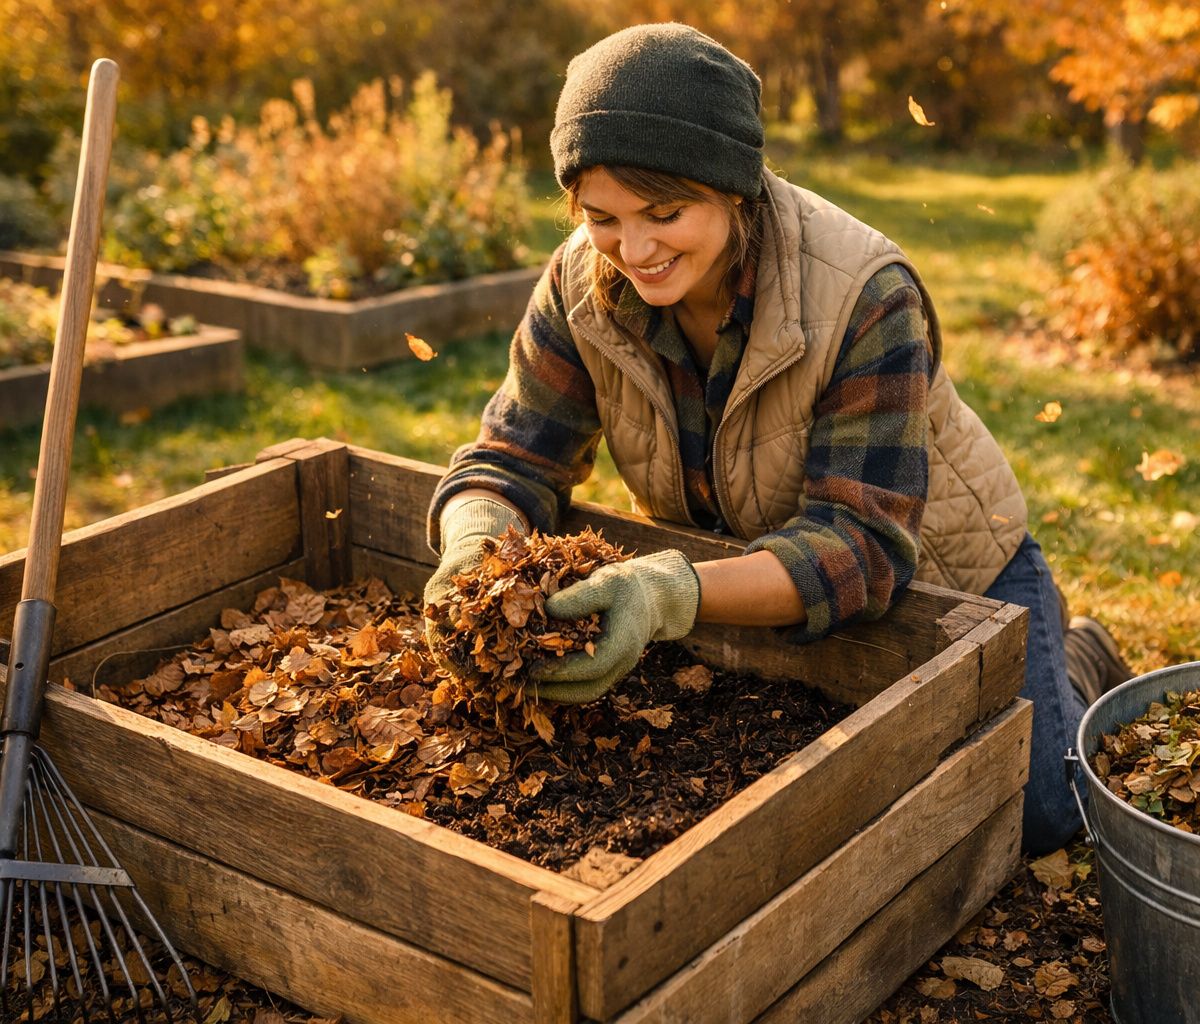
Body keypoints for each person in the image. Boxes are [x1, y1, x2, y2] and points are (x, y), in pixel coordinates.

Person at [423, 22, 1131, 852]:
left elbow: (861, 546)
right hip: (745, 578)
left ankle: (1077, 657)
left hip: (952, 578)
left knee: (1041, 815)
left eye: (664, 212)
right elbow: (512, 459)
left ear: (734, 187)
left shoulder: (866, 293)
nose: (635, 250)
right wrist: (472, 550)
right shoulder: (583, 279)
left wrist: (665, 595)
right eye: (603, 216)